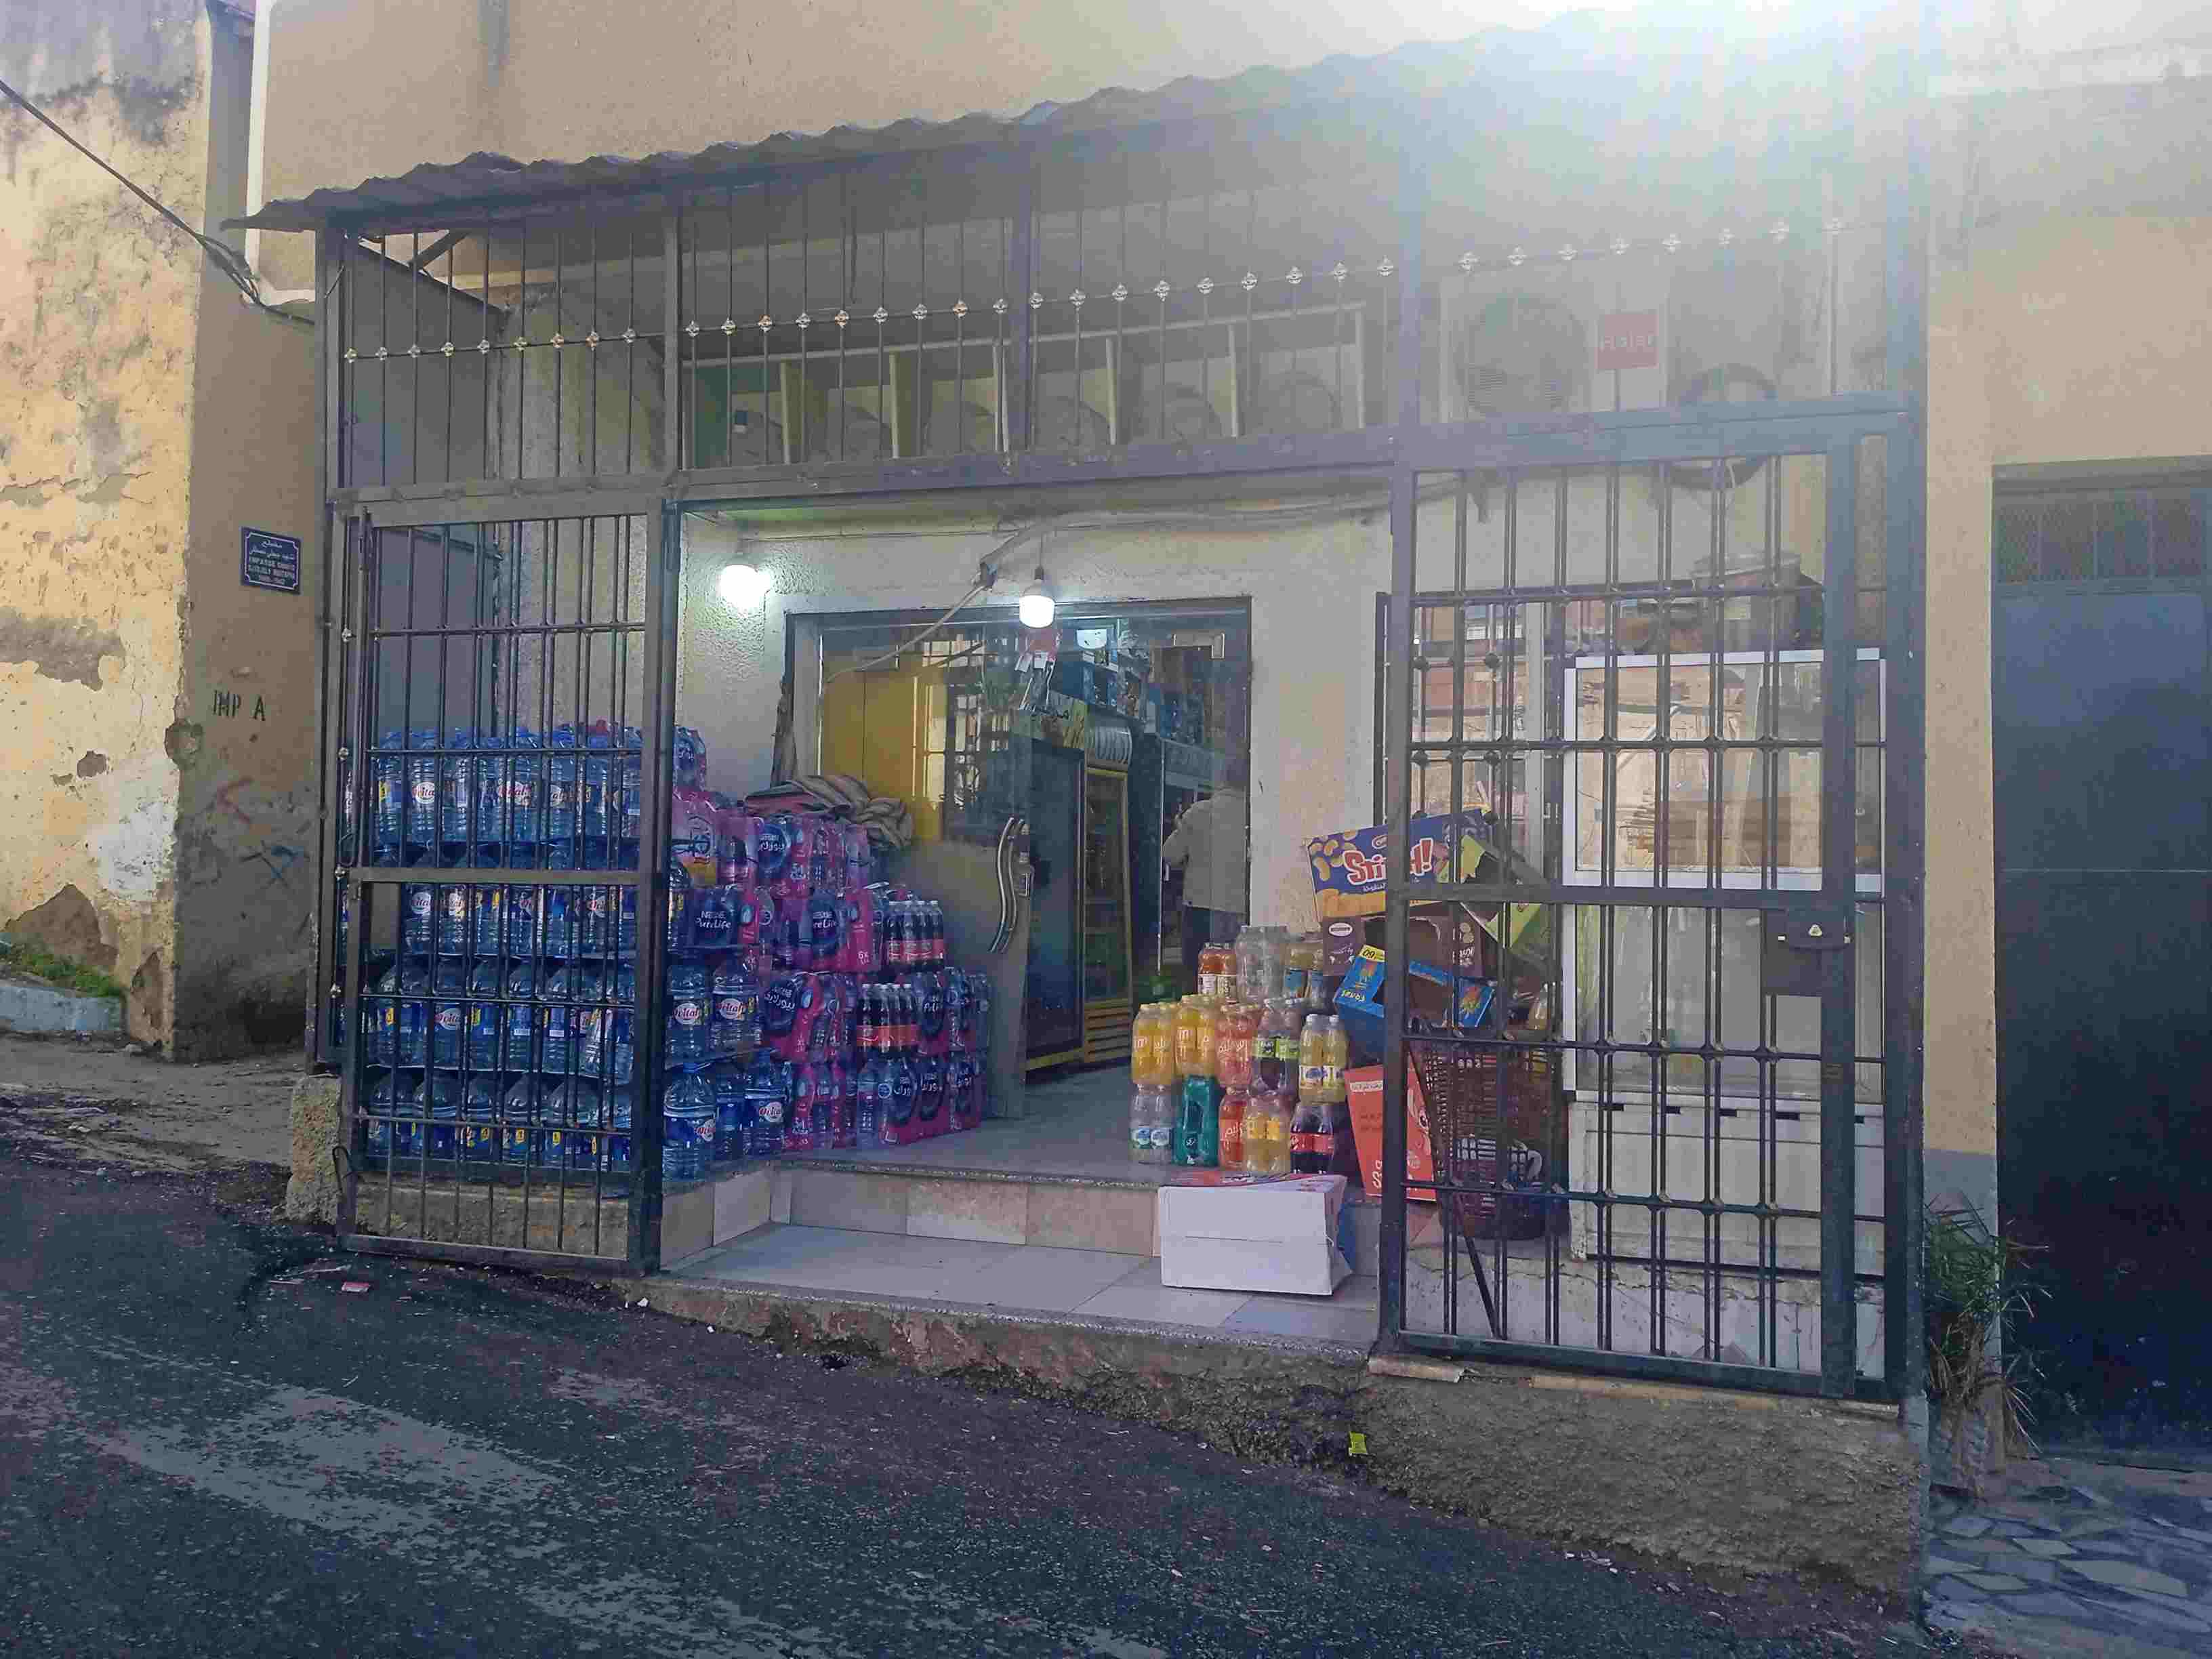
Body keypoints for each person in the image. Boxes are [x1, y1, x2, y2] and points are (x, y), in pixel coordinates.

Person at [1162, 775, 1247, 987]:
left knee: (1200, 975)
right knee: (1233, 976)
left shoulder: (1198, 812)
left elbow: (1170, 855)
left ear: (1220, 782)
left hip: (1200, 909)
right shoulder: (1253, 813)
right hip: (1241, 909)